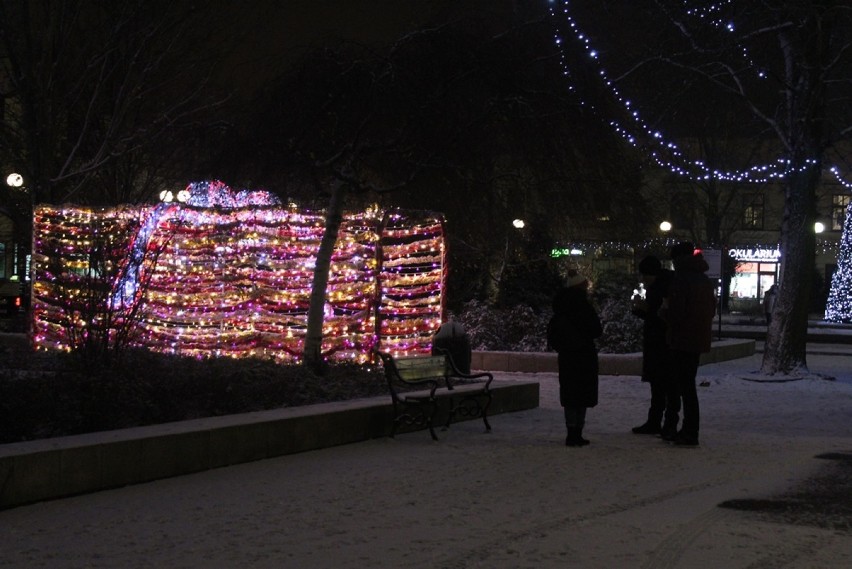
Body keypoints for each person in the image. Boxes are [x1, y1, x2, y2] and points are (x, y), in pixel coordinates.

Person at [660, 242, 717, 447]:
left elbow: (676, 313)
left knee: (684, 387)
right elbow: (711, 310)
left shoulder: (681, 280)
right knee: (688, 386)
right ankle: (690, 429)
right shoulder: (703, 279)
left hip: (682, 339)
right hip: (698, 338)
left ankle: (689, 431)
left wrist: (663, 312)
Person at [547, 270, 603, 447]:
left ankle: (571, 430)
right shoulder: (583, 306)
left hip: (567, 355)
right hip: (584, 353)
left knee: (570, 392)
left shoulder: (561, 306)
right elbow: (596, 329)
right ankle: (578, 431)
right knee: (583, 392)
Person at [630, 255, 679, 436]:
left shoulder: (662, 288)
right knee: (661, 385)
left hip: (661, 343)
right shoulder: (662, 285)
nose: (643, 279)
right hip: (659, 341)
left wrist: (645, 311)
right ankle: (658, 421)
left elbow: (662, 316)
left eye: (645, 275)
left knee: (664, 385)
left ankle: (664, 422)